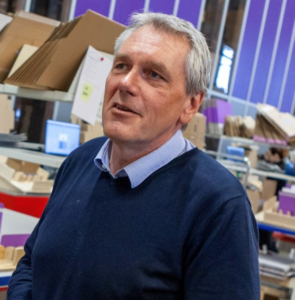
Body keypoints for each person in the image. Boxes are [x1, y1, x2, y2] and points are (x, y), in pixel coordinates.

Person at [8, 12, 260, 300]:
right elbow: (31, 262)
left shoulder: (219, 205)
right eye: (121, 65)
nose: (126, 83)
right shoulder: (79, 162)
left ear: (191, 104)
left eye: (153, 74)